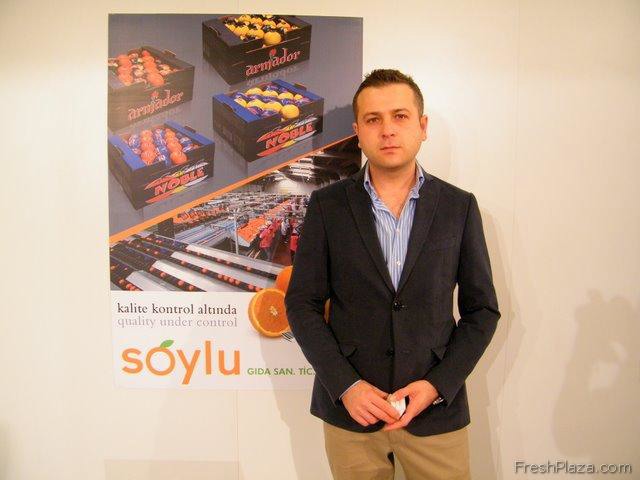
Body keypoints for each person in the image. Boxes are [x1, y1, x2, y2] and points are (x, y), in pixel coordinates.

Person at [285, 69, 500, 480]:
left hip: (435, 413)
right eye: (373, 119)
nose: (387, 130)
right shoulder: (328, 207)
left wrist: (437, 385)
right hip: (353, 415)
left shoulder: (458, 207)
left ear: (422, 126)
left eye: (400, 116)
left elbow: (482, 311)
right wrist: (346, 385)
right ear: (358, 132)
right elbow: (301, 304)